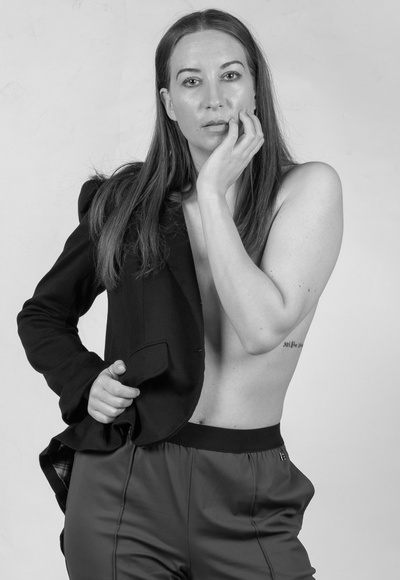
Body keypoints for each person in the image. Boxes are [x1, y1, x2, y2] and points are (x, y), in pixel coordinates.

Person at [17, 8, 343, 580]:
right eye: (192, 81)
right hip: (124, 482)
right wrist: (84, 382)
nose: (214, 98)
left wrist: (212, 194)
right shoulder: (127, 203)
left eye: (231, 75)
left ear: (256, 87)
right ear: (169, 103)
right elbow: (43, 313)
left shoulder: (306, 189)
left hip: (247, 487)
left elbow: (262, 328)